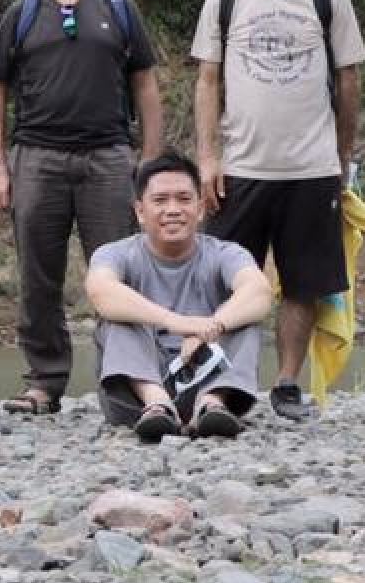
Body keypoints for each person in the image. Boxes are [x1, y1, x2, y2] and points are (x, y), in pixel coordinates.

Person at [190, 0, 365, 421]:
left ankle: (287, 383)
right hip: (240, 169)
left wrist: (342, 155)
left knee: (304, 283)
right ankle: (225, 384)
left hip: (312, 167)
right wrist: (207, 157)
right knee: (226, 281)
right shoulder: (223, 0)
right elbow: (207, 81)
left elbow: (349, 78)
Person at [0, 0, 164, 417]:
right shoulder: (22, 14)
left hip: (109, 157)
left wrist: (149, 163)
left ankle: (124, 381)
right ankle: (44, 381)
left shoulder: (118, 7)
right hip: (37, 157)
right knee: (38, 275)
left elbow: (146, 85)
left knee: (118, 273)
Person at [84, 152, 274, 441]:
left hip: (208, 379)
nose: (173, 210)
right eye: (160, 200)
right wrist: (179, 323)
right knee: (116, 318)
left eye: (184, 199)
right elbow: (101, 291)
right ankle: (157, 405)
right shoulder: (116, 253)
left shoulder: (225, 253)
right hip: (135, 398)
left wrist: (211, 327)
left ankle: (212, 404)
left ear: (200, 209)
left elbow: (259, 291)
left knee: (245, 318)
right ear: (140, 211)